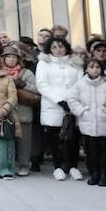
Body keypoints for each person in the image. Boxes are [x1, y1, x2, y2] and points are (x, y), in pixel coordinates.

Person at [36, 37, 83, 180]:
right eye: (54, 47)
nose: (58, 50)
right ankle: (58, 167)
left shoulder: (76, 64)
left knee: (73, 137)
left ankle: (73, 166)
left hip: (73, 104)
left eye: (61, 46)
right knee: (55, 137)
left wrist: (71, 100)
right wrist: (59, 100)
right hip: (53, 105)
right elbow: (42, 84)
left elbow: (80, 83)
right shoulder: (44, 64)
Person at [69, 57, 106, 187]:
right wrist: (82, 111)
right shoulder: (80, 84)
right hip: (87, 123)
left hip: (105, 123)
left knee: (105, 151)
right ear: (86, 69)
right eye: (91, 67)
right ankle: (94, 173)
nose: (95, 69)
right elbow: (72, 99)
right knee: (91, 151)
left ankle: (104, 174)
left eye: (97, 67)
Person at [2, 44, 40, 176]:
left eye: (14, 57)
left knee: (24, 141)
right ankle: (8, 165)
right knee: (7, 141)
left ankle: (24, 165)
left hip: (24, 111)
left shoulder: (26, 73)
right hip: (6, 111)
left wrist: (23, 84)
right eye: (8, 57)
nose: (11, 60)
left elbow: (37, 89)